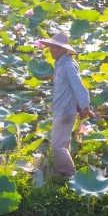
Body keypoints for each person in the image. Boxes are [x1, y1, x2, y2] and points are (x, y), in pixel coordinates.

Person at [42, 30, 93, 178]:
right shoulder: (60, 64)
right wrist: (79, 108)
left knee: (57, 146)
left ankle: (70, 175)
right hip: (61, 109)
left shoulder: (69, 65)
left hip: (65, 111)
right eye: (50, 47)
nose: (50, 50)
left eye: (53, 47)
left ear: (62, 49)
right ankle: (65, 176)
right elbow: (69, 89)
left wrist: (85, 107)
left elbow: (78, 86)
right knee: (63, 144)